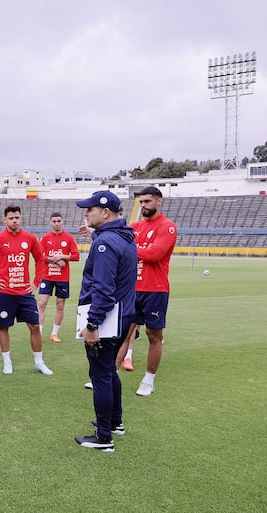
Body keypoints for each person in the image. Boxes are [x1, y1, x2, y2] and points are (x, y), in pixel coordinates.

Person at [73, 190, 136, 452]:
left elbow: (104, 290)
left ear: (105, 213)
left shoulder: (105, 243)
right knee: (109, 370)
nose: (86, 213)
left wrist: (92, 325)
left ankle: (103, 437)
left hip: (107, 320)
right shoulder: (122, 237)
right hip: (123, 315)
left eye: (90, 209)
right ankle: (114, 423)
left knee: (100, 375)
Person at [0, 206, 52, 376]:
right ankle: (7, 362)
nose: (14, 221)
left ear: (21, 218)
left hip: (25, 292)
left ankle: (39, 363)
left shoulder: (30, 238)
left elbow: (40, 259)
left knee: (34, 326)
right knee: (4, 327)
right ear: (5, 220)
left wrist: (35, 282)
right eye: (11, 218)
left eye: (17, 217)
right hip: (4, 293)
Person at [118, 186, 177, 396]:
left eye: (147, 202)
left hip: (155, 290)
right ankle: (110, 375)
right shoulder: (134, 227)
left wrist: (129, 249)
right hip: (132, 289)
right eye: (141, 202)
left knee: (154, 335)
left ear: (159, 201)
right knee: (123, 333)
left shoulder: (167, 227)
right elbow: (118, 244)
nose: (143, 205)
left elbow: (154, 254)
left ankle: (148, 380)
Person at [37, 212, 80, 343]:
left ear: (62, 222)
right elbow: (39, 256)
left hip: (62, 278)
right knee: (41, 303)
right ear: (50, 222)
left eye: (58, 221)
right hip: (47, 276)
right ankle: (38, 332)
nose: (56, 224)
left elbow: (76, 256)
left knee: (60, 305)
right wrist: (53, 260)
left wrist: (63, 257)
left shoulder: (68, 238)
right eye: (54, 221)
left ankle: (54, 334)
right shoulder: (45, 238)